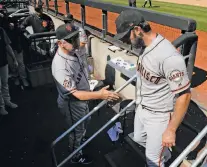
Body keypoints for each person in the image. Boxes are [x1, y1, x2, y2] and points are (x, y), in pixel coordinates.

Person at [114, 10, 191, 167]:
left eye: (125, 36)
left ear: (137, 30)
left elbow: (185, 95)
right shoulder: (144, 47)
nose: (125, 41)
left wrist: (171, 130)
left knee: (152, 159)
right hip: (142, 107)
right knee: (138, 138)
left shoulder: (169, 57)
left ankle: (160, 158)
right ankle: (166, 155)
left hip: (159, 116)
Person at [52, 23, 119, 164]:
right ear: (60, 43)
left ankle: (80, 141)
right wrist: (100, 95)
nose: (76, 41)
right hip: (72, 103)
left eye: (75, 37)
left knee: (85, 122)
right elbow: (76, 94)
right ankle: (75, 156)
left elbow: (82, 39)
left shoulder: (74, 49)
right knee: (76, 130)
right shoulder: (60, 66)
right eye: (71, 39)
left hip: (83, 98)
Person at [0, 26, 18, 115]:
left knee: (5, 83)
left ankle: (7, 101)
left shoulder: (1, 30)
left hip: (3, 62)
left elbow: (7, 45)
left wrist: (14, 58)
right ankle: (1, 107)